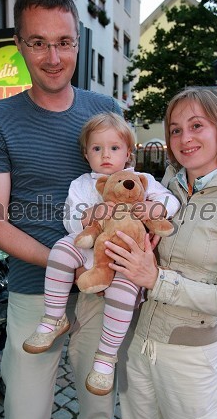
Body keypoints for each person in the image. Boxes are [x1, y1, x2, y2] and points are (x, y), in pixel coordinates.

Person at [0, 0, 124, 419]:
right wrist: (68, 263)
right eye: (38, 42)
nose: (53, 56)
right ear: (20, 45)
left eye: (64, 42)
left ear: (78, 42)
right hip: (34, 293)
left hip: (102, 296)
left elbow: (126, 196)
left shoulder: (106, 112)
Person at [104, 87, 217, 419]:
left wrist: (157, 280)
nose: (184, 138)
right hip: (138, 343)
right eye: (175, 129)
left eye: (196, 125)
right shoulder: (158, 189)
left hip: (189, 358)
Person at [22, 112, 180, 396]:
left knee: (124, 291)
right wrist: (89, 215)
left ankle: (106, 357)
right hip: (90, 253)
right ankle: (54, 317)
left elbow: (170, 200)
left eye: (114, 148)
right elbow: (69, 220)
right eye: (97, 148)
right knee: (60, 249)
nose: (105, 155)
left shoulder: (140, 179)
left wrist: (155, 209)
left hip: (124, 259)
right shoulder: (82, 184)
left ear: (128, 153)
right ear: (86, 153)